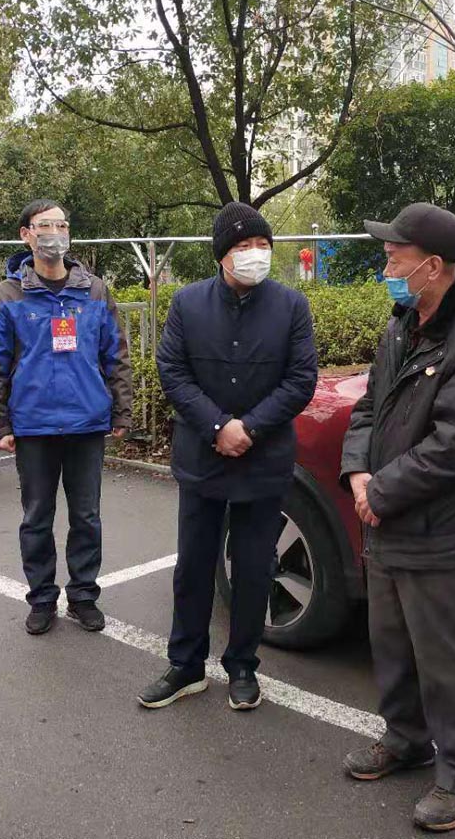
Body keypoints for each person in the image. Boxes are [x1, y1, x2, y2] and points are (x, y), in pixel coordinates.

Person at [339, 202, 455, 833]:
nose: (386, 267)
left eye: (394, 258)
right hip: (387, 521)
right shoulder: (402, 324)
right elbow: (368, 409)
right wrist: (359, 473)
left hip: (440, 532)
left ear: (432, 267)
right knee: (391, 643)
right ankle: (406, 739)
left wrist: (380, 492)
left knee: (447, 657)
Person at [137, 202, 317, 712]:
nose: (255, 254)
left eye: (262, 245)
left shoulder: (290, 306)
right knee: (194, 566)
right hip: (203, 456)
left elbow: (301, 379)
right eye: (243, 246)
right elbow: (173, 371)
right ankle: (186, 665)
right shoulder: (188, 303)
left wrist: (249, 428)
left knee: (255, 568)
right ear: (221, 255)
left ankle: (242, 666)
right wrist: (218, 426)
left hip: (264, 459)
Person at [0, 199, 133, 636]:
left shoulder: (94, 291)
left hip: (87, 423)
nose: (55, 233)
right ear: (26, 234)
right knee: (36, 518)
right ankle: (42, 598)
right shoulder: (9, 295)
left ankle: (83, 596)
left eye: (62, 225)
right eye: (45, 225)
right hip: (33, 425)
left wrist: (122, 410)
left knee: (87, 517)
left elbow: (116, 356)